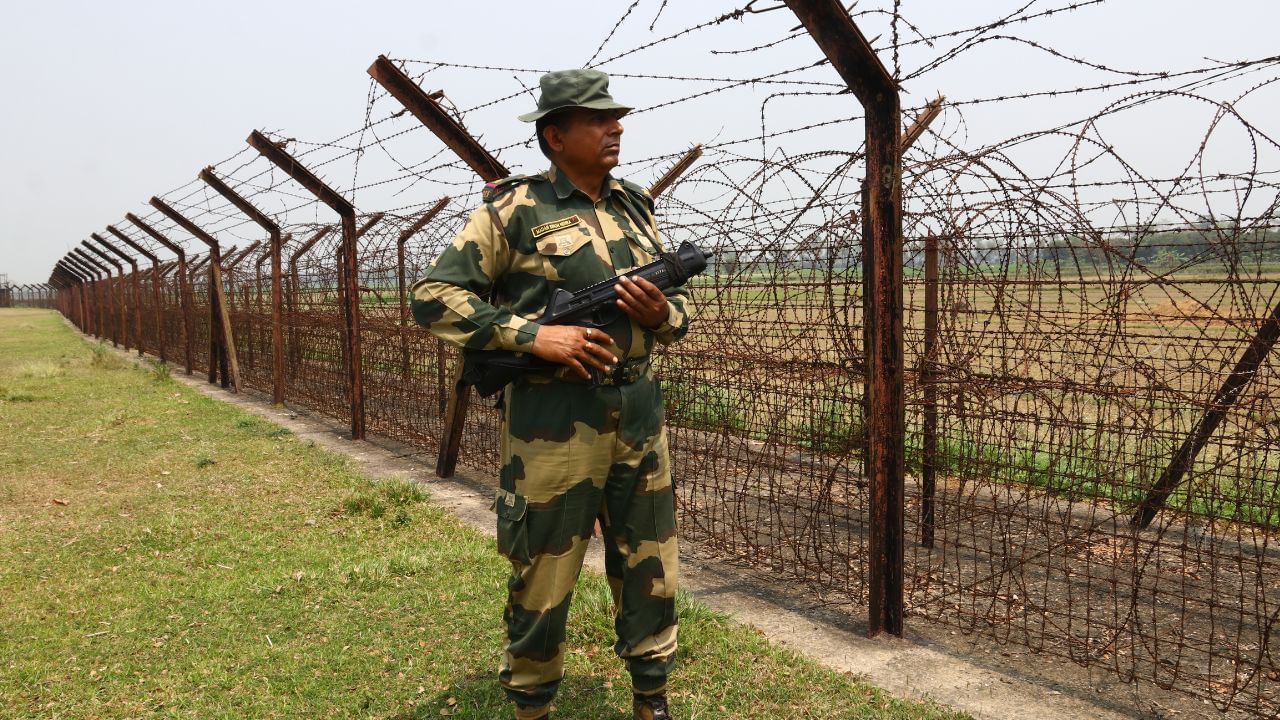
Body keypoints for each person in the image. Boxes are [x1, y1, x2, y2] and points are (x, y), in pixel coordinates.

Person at [410, 69, 691, 720]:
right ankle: (532, 705)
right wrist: (535, 338)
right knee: (544, 572)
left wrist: (658, 317)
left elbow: (677, 314)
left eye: (615, 117)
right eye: (598, 119)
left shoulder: (636, 204)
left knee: (652, 565)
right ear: (555, 135)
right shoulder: (515, 208)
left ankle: (653, 701)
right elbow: (434, 296)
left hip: (639, 413)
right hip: (552, 422)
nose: (615, 127)